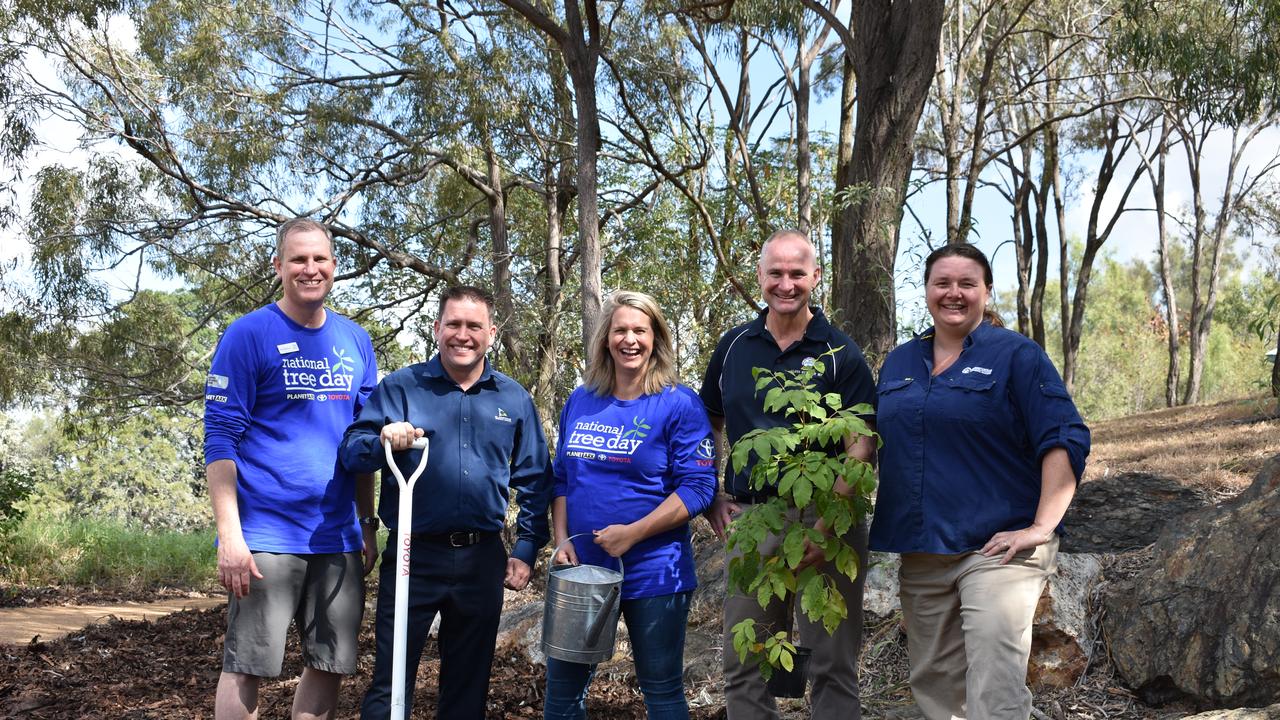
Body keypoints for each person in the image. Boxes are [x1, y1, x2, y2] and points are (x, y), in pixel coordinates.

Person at [870, 243, 1091, 720]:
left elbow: (1064, 438)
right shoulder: (899, 363)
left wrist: (1040, 527)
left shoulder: (1017, 356)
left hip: (997, 549)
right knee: (936, 687)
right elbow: (869, 444)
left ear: (986, 291)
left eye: (967, 283)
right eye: (942, 283)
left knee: (995, 680)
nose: (954, 293)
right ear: (926, 291)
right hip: (923, 552)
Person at [338, 285, 553, 720]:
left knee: (467, 687)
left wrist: (527, 548)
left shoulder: (513, 398)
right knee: (391, 680)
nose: (463, 334)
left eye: (474, 326)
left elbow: (535, 479)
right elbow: (351, 450)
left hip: (482, 558)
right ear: (437, 329)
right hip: (411, 555)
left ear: (491, 333)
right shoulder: (402, 388)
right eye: (453, 324)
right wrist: (384, 440)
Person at [203, 217, 380, 720]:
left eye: (319, 258)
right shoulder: (248, 335)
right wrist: (230, 537)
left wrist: (365, 523)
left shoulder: (355, 340)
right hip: (266, 535)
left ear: (334, 267)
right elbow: (219, 439)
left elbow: (362, 442)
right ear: (279, 266)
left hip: (337, 536)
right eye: (298, 259)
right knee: (248, 664)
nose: (310, 268)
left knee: (329, 662)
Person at [699, 229, 877, 720]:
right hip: (754, 519)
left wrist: (827, 527)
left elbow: (859, 444)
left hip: (829, 518)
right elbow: (707, 420)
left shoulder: (841, 353)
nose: (786, 283)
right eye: (775, 272)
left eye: (797, 273)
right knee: (746, 662)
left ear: (815, 277)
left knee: (831, 664)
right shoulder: (733, 346)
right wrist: (710, 490)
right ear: (759, 276)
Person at [544, 291, 717, 720]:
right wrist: (562, 539)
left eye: (640, 330)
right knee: (562, 699)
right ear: (605, 339)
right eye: (620, 330)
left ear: (656, 338)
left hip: (656, 572)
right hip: (582, 572)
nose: (630, 339)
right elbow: (562, 477)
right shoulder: (582, 400)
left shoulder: (679, 402)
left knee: (661, 693)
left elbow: (699, 486)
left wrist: (634, 533)